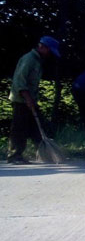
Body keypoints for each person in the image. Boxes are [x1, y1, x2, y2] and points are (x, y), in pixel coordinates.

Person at [6, 36, 61, 164]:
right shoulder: (29, 59)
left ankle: (45, 154)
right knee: (19, 128)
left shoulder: (38, 61)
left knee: (36, 127)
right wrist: (27, 98)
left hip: (30, 99)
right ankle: (14, 156)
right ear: (42, 47)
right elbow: (20, 81)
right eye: (49, 50)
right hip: (21, 100)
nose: (50, 54)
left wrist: (32, 100)